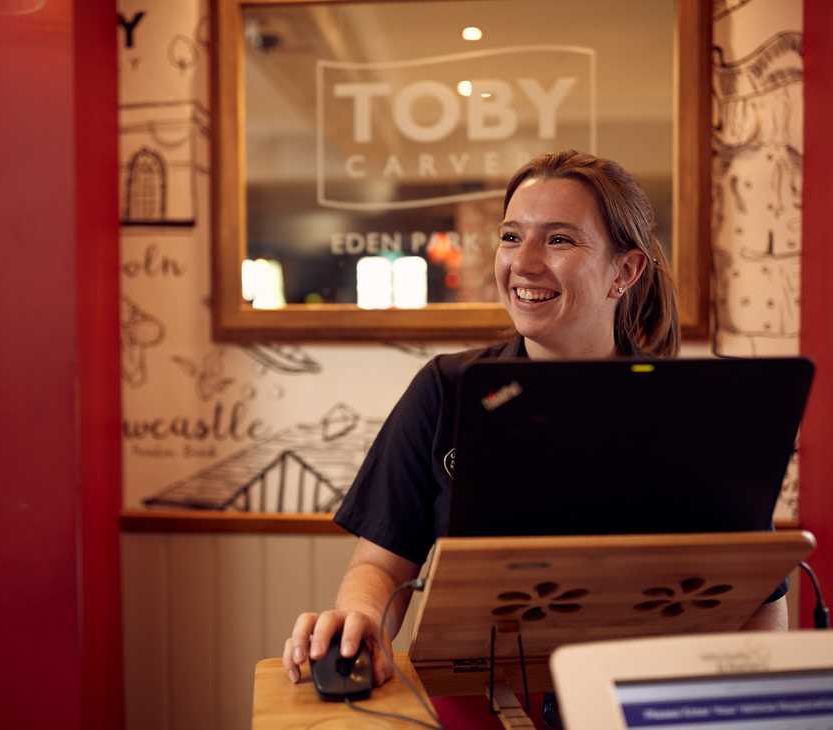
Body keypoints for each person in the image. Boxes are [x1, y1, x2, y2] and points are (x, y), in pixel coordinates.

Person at [281, 149, 788, 701]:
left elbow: (760, 604)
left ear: (625, 270)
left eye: (559, 239)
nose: (523, 263)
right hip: (480, 704)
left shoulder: (695, 412)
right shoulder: (445, 390)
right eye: (510, 236)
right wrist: (360, 621)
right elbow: (380, 564)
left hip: (646, 708)